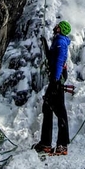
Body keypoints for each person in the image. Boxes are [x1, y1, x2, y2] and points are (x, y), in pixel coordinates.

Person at [33, 20, 71, 156]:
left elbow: (60, 60)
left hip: (57, 78)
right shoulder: (58, 40)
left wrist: (55, 79)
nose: (55, 27)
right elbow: (52, 58)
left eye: (58, 26)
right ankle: (46, 143)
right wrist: (45, 46)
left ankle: (61, 145)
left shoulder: (61, 42)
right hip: (56, 77)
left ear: (61, 29)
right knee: (48, 106)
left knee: (59, 109)